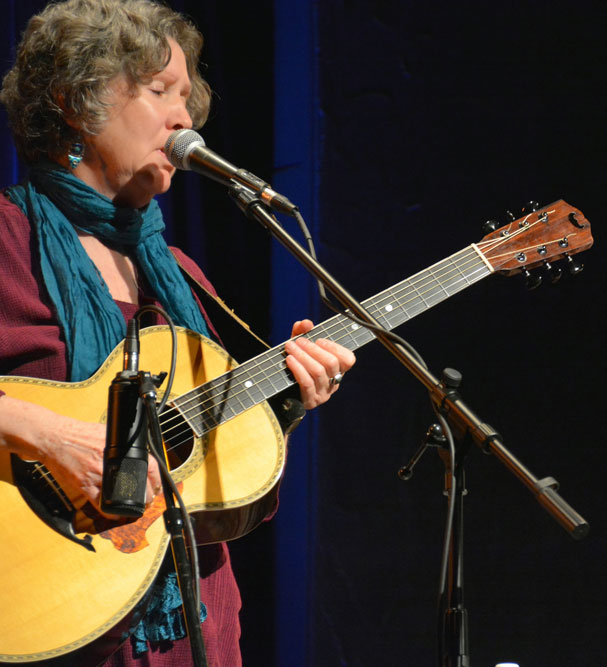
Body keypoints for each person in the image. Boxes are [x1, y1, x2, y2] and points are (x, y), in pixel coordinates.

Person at [0, 0, 355, 664]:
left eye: (187, 97)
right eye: (160, 90)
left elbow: (212, 483)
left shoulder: (180, 276)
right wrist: (50, 433)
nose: (184, 118)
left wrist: (284, 402)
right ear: (74, 101)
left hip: (194, 631)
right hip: (45, 612)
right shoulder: (7, 240)